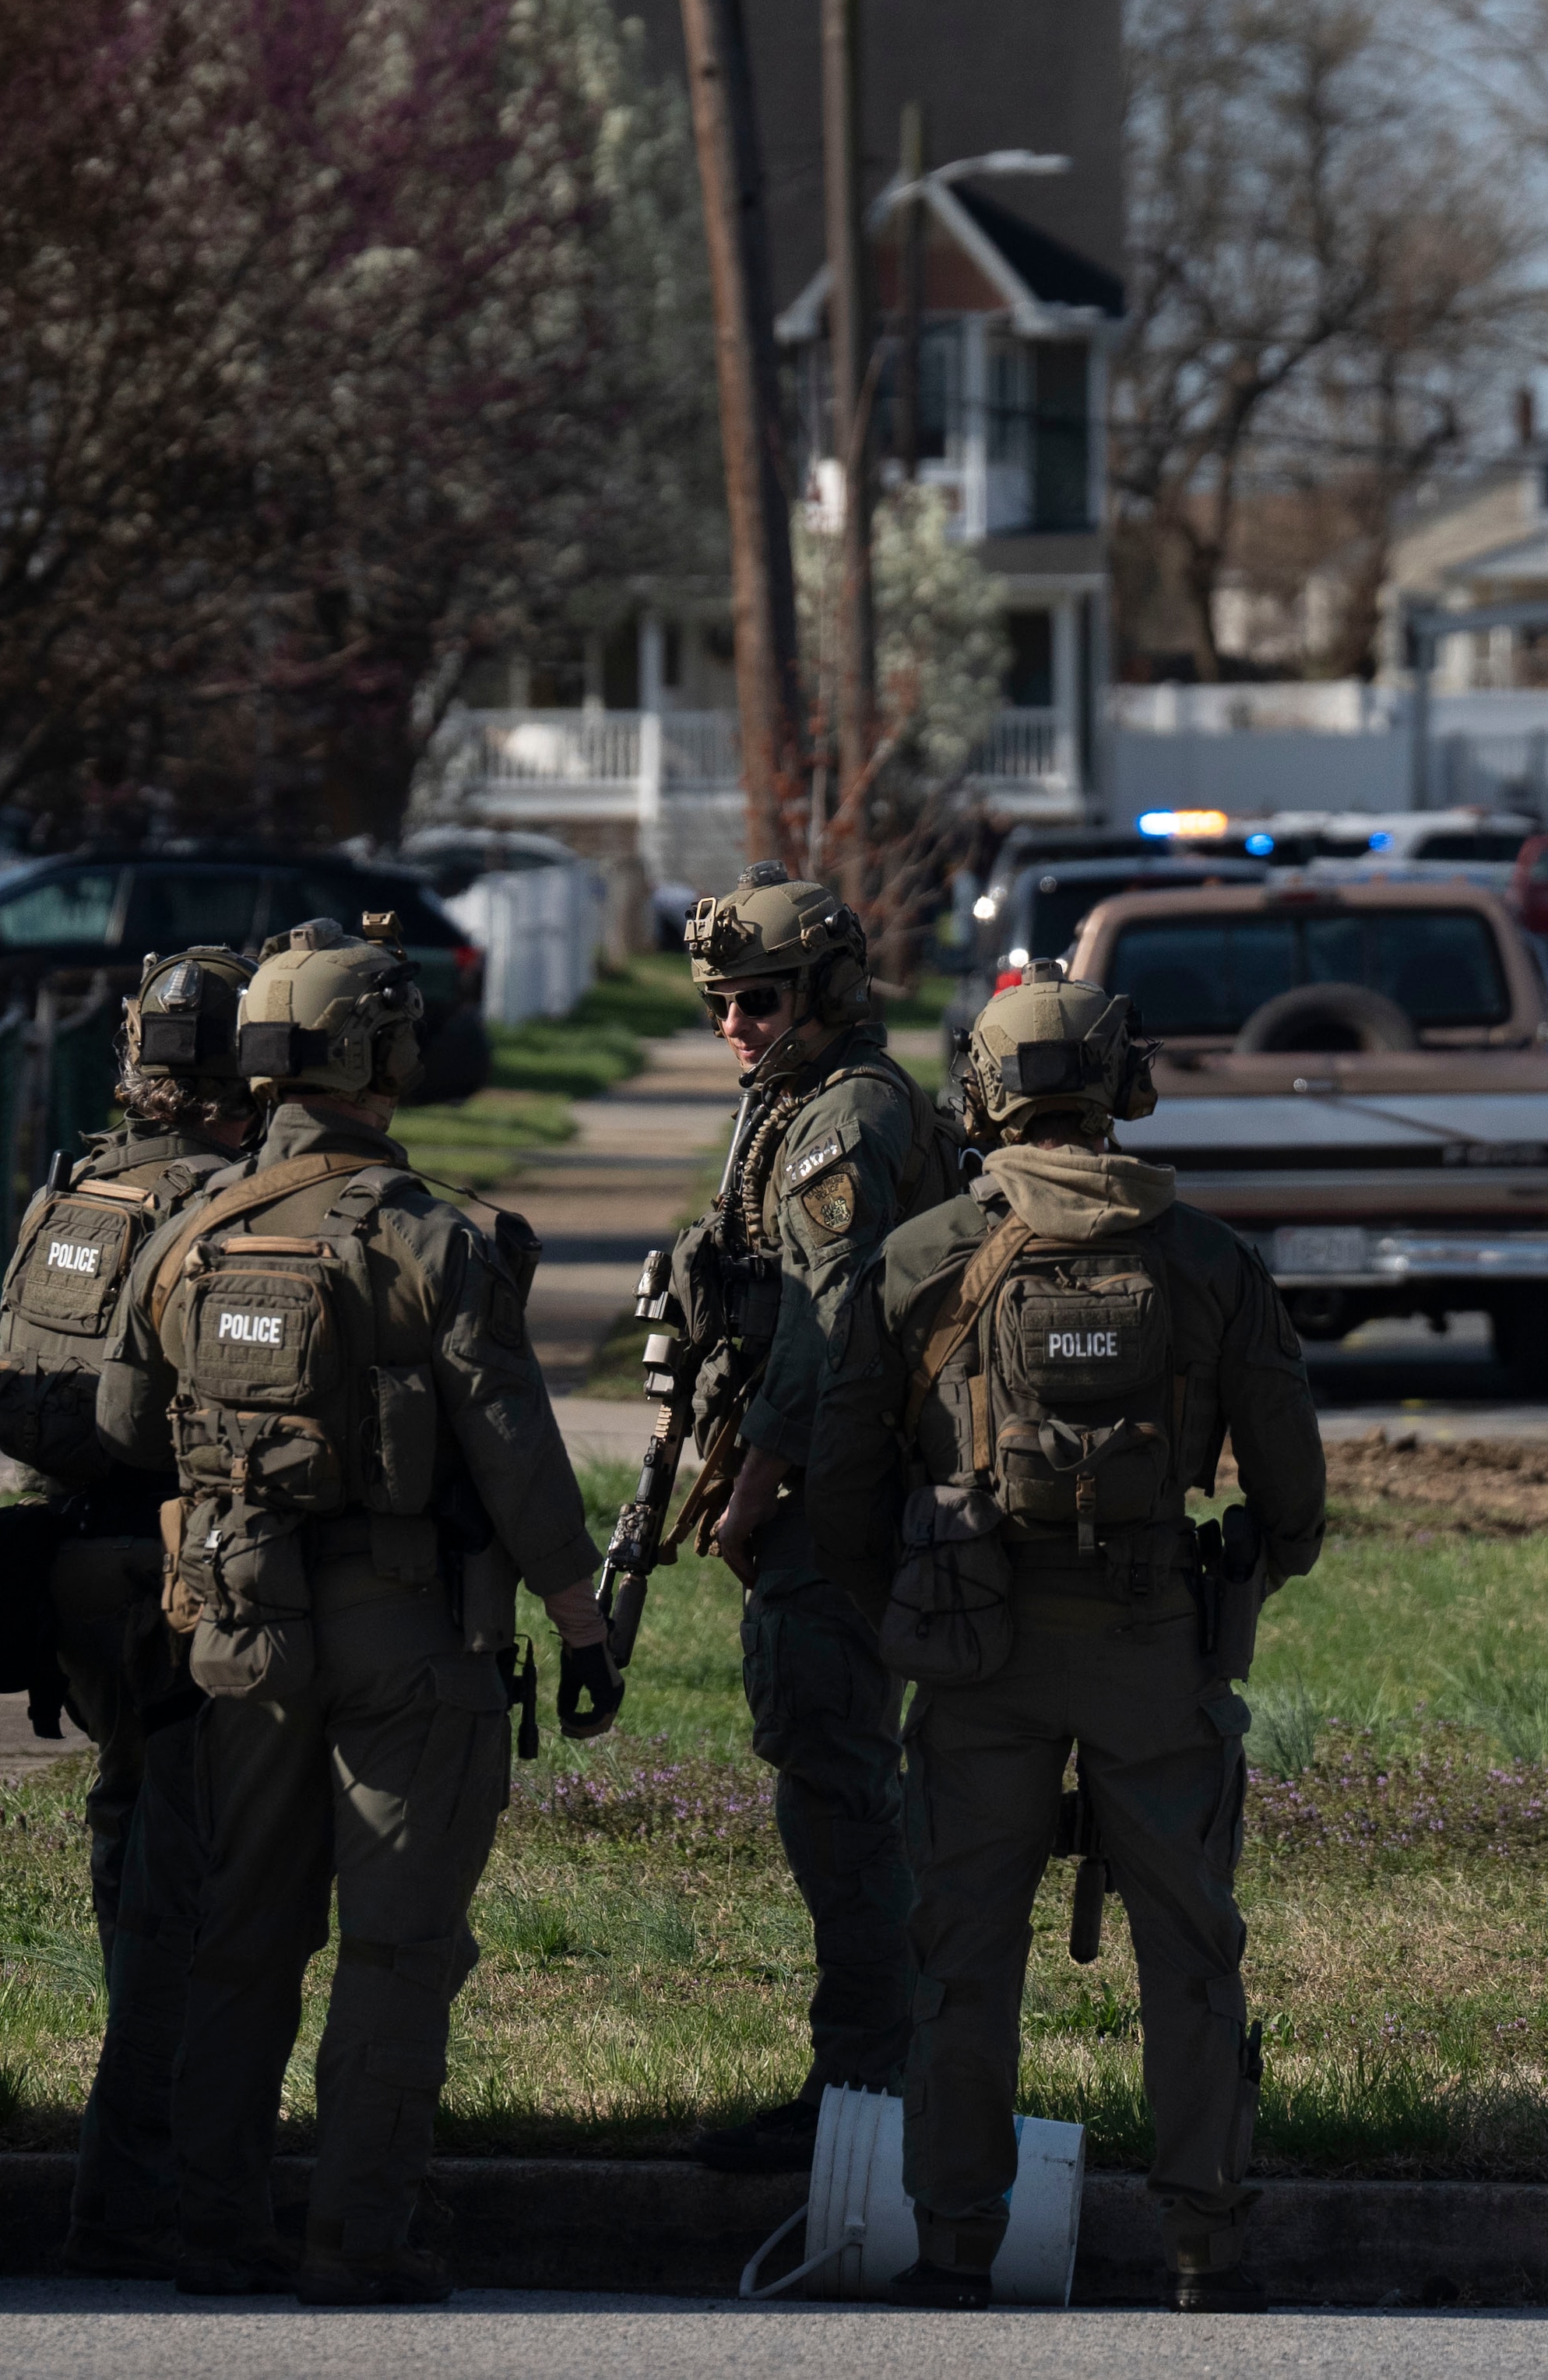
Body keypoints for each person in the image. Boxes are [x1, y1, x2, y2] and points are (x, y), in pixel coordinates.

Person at [96, 915, 624, 2305]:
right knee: (394, 1945)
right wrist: (585, 1625)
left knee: (241, 1932)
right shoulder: (434, 1241)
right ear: (382, 1054)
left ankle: (212, 2226)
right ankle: (359, 2236)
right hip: (410, 1639)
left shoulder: (187, 1237)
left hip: (242, 1635)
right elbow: (521, 1464)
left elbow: (120, 1417)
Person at [806, 962, 1325, 2312]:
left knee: (962, 1952)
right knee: (1191, 1951)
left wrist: (913, 1612)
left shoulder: (920, 1259)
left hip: (976, 1653)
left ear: (977, 1094)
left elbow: (843, 1495)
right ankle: (1207, 2247)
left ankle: (957, 2245)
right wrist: (1229, 1602)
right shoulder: (1207, 1260)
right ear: (1121, 1088)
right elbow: (1296, 1502)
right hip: (1160, 1645)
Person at [673, 863, 966, 2175]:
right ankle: (879, 2074)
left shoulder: (846, 1113)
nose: (734, 1026)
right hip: (831, 1479)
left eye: (757, 1001)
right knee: (831, 1780)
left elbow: (829, 1316)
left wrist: (755, 1481)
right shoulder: (791, 1105)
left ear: (830, 991)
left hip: (844, 1495)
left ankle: (868, 2088)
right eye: (719, 1005)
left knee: (838, 1790)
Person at [0, 946, 255, 2280]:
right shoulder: (221, 1203)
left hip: (67, 1576)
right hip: (168, 1578)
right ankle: (129, 2187)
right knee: (181, 1895)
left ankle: (136, 2111)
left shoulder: (74, 1191)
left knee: (125, 1829)